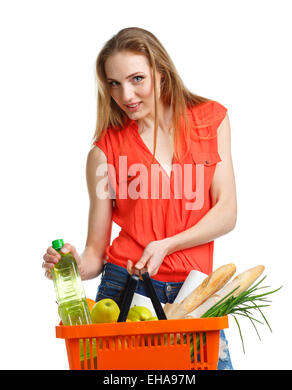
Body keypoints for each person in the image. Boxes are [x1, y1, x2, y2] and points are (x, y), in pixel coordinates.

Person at [42, 27, 237, 370]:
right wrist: (72, 264)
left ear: (161, 74)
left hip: (195, 293)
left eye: (136, 79)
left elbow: (227, 212)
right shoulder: (105, 152)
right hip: (124, 289)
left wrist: (168, 244)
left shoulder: (210, 121)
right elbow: (95, 252)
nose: (126, 95)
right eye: (114, 83)